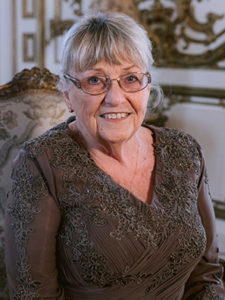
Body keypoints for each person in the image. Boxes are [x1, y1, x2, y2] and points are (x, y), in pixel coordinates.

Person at [5, 11, 225, 300]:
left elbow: (206, 276)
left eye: (131, 78)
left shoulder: (185, 151)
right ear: (68, 93)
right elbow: (34, 295)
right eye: (95, 80)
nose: (115, 98)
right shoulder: (40, 164)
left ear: (148, 87)